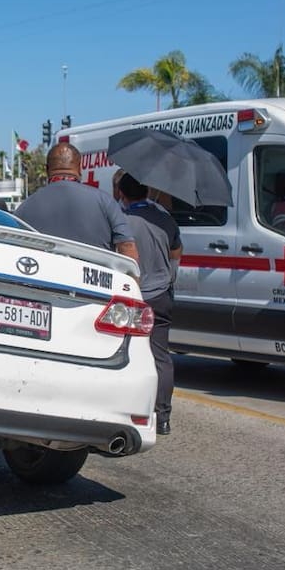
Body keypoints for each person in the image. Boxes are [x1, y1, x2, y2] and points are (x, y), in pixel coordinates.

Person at [116, 172, 182, 436]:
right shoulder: (165, 218)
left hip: (132, 296)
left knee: (122, 353)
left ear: (122, 194)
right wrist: (168, 277)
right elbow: (176, 253)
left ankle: (125, 410)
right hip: (160, 295)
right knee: (161, 356)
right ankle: (163, 417)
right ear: (145, 191)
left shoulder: (121, 222)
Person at [15, 143, 139, 262]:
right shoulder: (105, 202)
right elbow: (127, 247)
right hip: (94, 281)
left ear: (47, 169)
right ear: (80, 167)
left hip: (44, 281)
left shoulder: (24, 208)